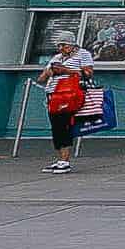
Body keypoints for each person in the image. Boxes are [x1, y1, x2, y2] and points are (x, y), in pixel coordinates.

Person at [37, 37, 94, 174]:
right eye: (59, 45)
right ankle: (60, 159)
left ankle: (65, 160)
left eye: (63, 45)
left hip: (69, 94)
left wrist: (66, 71)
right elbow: (41, 78)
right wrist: (50, 71)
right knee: (55, 127)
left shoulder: (83, 54)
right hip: (53, 94)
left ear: (72, 44)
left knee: (64, 125)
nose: (61, 48)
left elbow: (88, 74)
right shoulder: (56, 57)